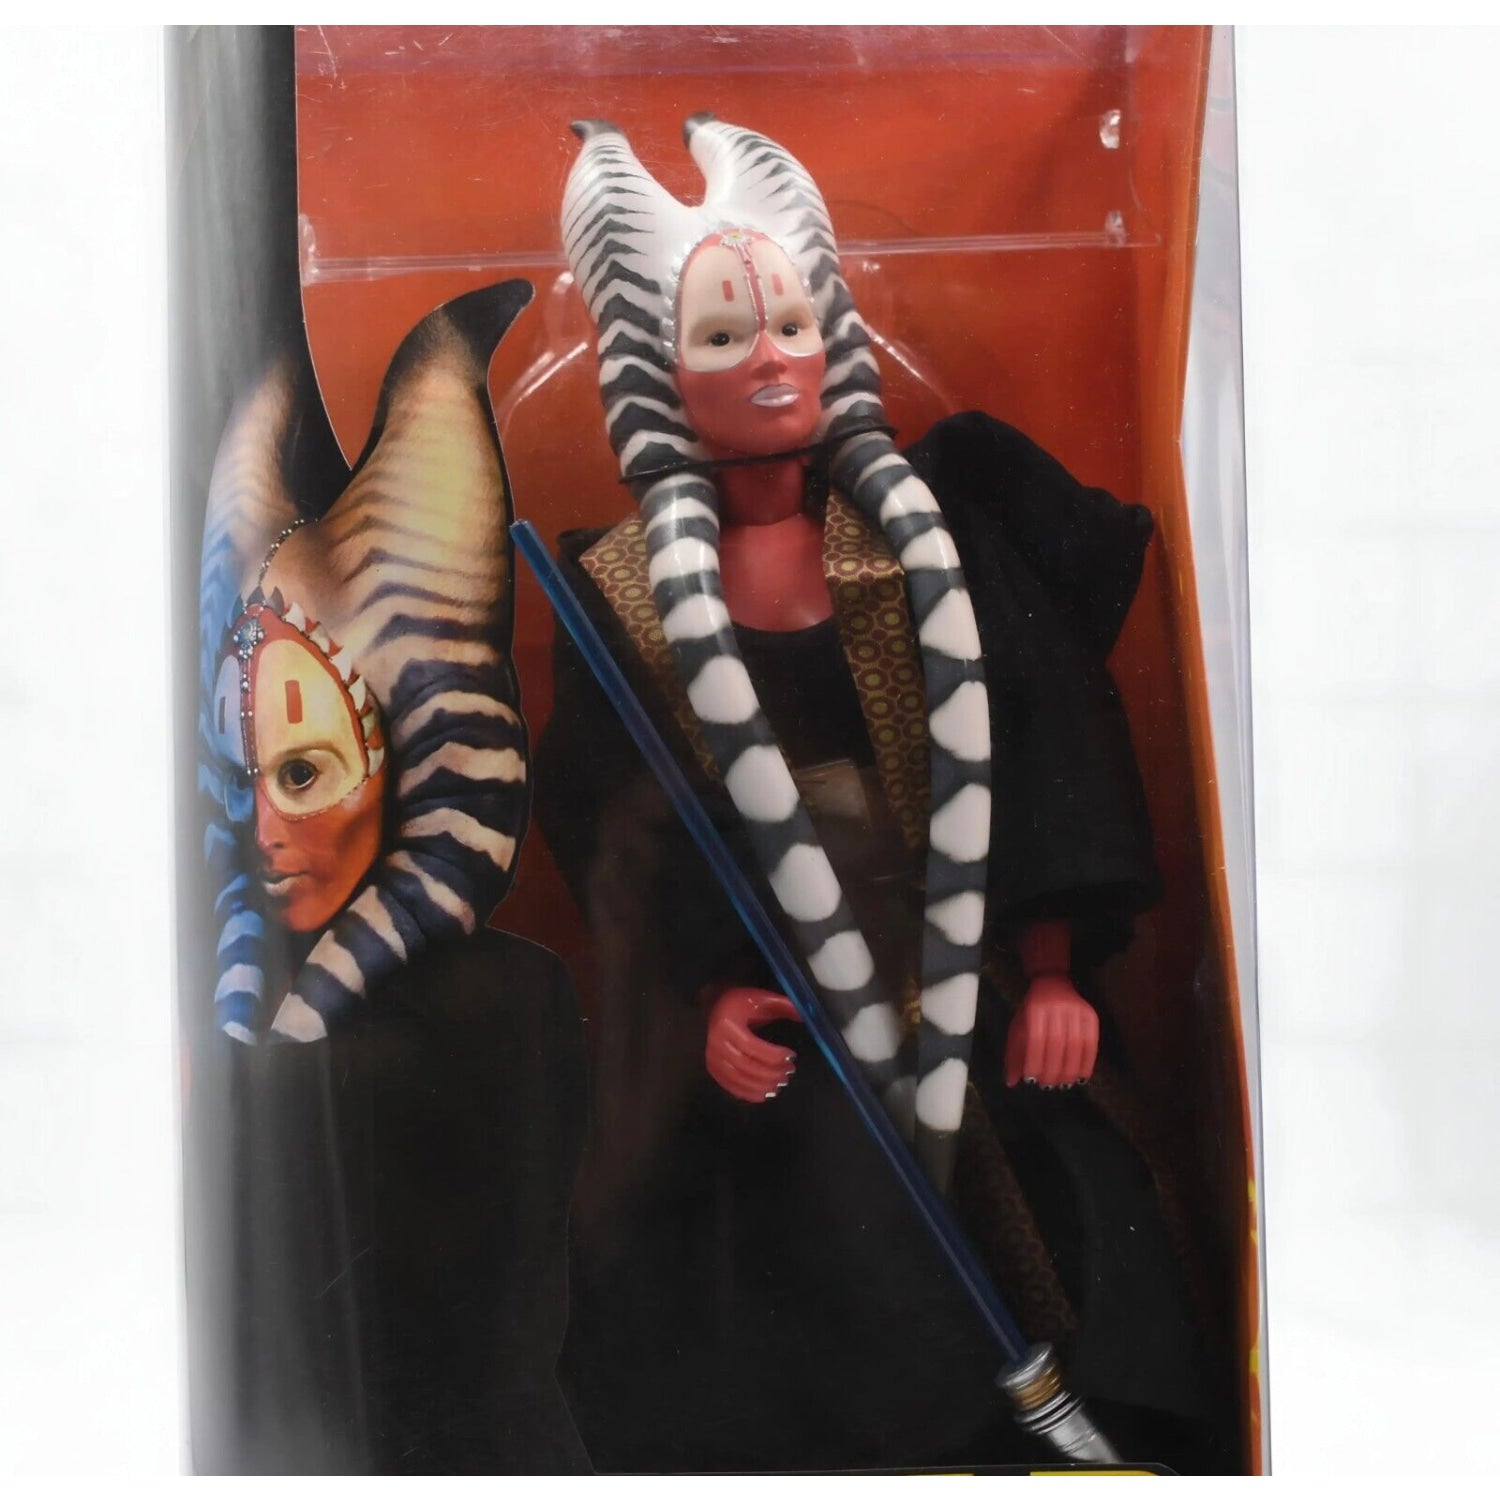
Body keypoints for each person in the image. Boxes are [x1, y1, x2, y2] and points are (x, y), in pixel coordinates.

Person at [537, 115, 1236, 1472]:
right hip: (790, 1005)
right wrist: (708, 991)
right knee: (790, 1242)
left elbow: (1043, 737)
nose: (771, 359)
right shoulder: (623, 594)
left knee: (1069, 1203)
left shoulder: (929, 542)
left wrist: (1051, 967)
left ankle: (1086, 1439)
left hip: (967, 969)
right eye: (724, 335)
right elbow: (616, 817)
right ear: (655, 373)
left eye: (792, 324)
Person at [186, 284, 591, 1473]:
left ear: (411, 759)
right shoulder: (211, 998)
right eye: (246, 775)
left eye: (306, 773)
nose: (267, 829)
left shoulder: (506, 1002)